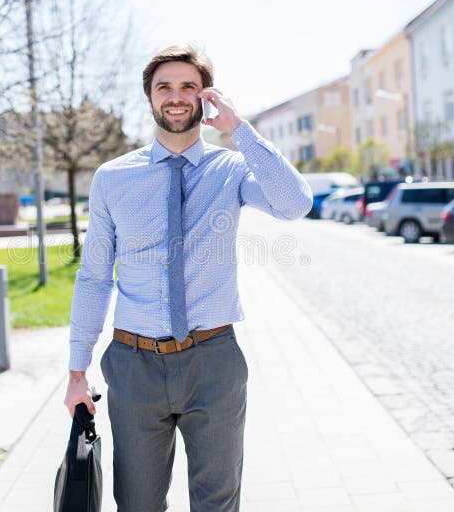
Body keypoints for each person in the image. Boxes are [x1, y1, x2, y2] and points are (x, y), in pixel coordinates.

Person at [64, 43, 313, 511]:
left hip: (213, 362)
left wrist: (240, 130)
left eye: (188, 86)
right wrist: (77, 371)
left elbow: (294, 203)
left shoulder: (233, 168)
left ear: (206, 97)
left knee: (217, 504)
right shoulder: (112, 178)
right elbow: (94, 277)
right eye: (165, 87)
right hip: (134, 364)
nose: (176, 96)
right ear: (150, 98)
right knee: (137, 504)